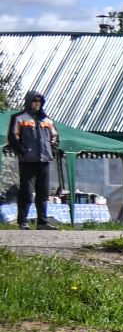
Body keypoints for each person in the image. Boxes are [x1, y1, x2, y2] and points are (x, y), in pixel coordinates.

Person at [7, 91, 59, 230]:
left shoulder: (47, 120)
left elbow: (55, 137)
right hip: (27, 161)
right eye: (35, 100)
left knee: (43, 192)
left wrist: (52, 151)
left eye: (39, 101)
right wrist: (22, 151)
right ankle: (22, 221)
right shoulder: (19, 118)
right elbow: (13, 137)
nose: (37, 103)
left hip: (44, 160)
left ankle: (42, 222)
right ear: (29, 101)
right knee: (26, 192)